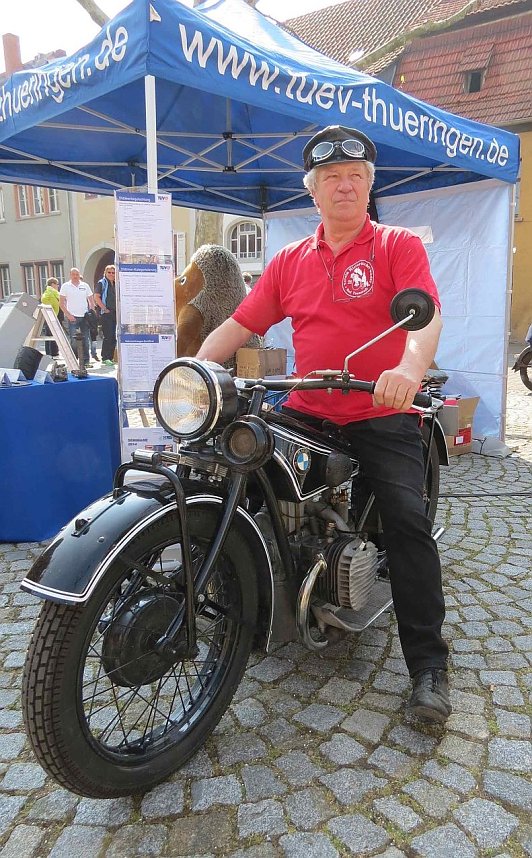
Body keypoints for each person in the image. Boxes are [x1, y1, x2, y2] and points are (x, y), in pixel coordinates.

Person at [197, 125, 451, 723]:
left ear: (369, 186)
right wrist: (191, 370)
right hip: (307, 409)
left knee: (407, 522)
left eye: (357, 177)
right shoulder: (289, 261)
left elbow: (425, 317)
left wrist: (410, 370)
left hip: (379, 410)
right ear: (313, 192)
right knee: (235, 476)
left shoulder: (396, 246)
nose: (346, 186)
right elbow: (237, 325)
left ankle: (428, 667)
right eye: (333, 178)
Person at [59, 268, 94, 366]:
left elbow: (91, 300)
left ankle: (86, 361)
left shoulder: (85, 285)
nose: (75, 276)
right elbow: (61, 303)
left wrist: (91, 312)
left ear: (79, 275)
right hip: (72, 317)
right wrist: (68, 315)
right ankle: (74, 361)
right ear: (70, 275)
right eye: (73, 274)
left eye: (77, 274)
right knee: (74, 341)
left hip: (85, 317)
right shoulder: (65, 286)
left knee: (85, 340)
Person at [94, 264, 117, 366]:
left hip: (115, 313)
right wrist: (104, 308)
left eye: (113, 272)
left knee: (114, 336)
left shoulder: (116, 283)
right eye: (109, 272)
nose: (111, 274)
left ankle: (111, 357)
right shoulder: (102, 283)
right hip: (106, 313)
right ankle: (105, 357)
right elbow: (96, 297)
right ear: (105, 273)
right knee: (108, 335)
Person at [40, 276, 61, 357]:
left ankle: (54, 351)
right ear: (52, 284)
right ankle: (50, 352)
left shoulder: (54, 293)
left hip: (56, 315)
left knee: (55, 334)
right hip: (50, 315)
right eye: (57, 284)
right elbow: (44, 301)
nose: (58, 286)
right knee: (50, 334)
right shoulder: (48, 292)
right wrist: (51, 307)